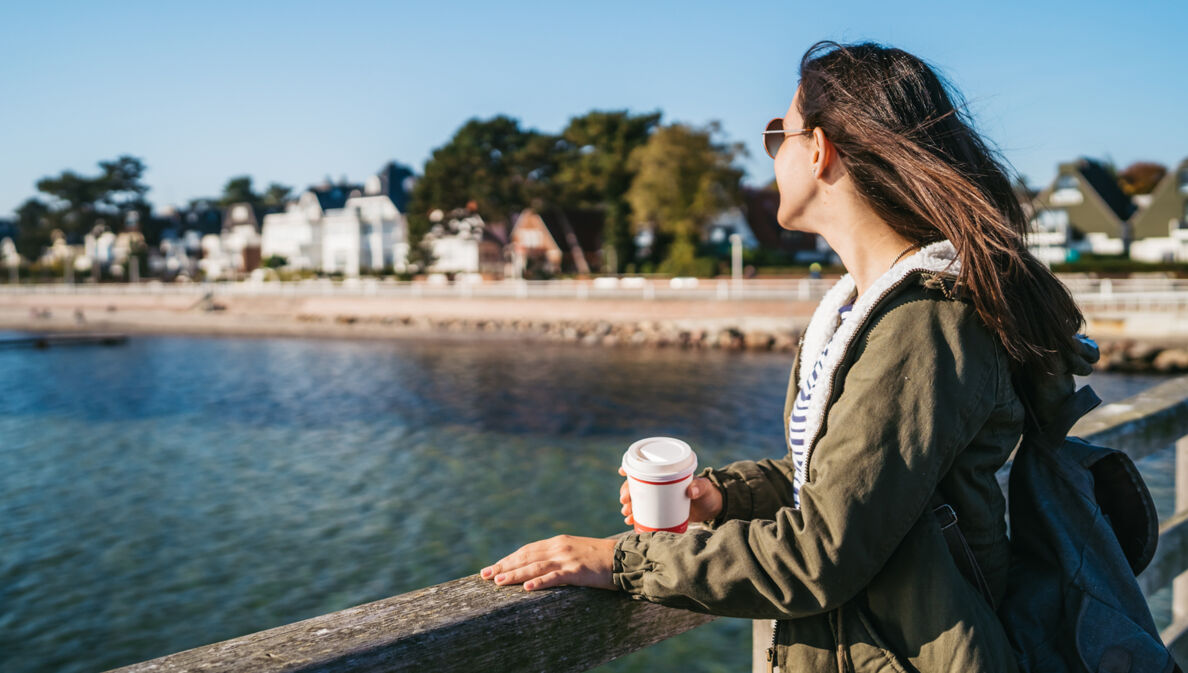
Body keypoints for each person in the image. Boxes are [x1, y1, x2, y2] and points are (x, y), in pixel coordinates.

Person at [480, 41, 1094, 672]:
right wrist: (722, 497)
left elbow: (819, 555)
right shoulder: (870, 310)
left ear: (820, 150)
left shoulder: (925, 325)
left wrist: (615, 561)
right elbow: (849, 477)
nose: (772, 154)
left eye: (780, 135)